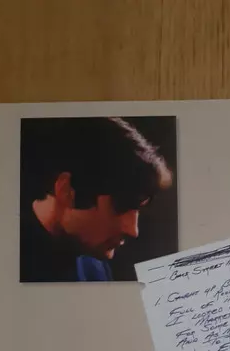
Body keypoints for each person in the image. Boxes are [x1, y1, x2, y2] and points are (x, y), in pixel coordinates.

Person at [20, 117, 172, 282]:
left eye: (138, 209)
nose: (133, 230)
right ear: (66, 190)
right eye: (121, 205)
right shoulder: (9, 257)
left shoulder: (94, 268)